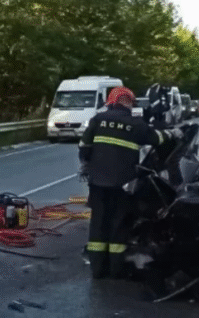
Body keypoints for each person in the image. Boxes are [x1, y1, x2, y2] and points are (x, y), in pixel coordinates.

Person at [78, 86, 182, 279]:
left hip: (98, 183)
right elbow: (157, 138)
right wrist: (174, 133)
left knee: (98, 223)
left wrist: (86, 164)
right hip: (123, 185)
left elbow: (84, 146)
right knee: (118, 224)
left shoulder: (98, 119)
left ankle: (98, 270)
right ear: (129, 103)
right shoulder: (135, 124)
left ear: (111, 102)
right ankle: (115, 270)